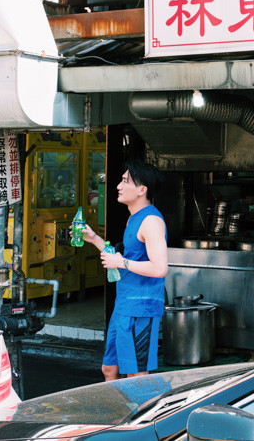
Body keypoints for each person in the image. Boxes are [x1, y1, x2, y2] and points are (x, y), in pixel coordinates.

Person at [82, 159, 168, 380]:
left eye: (124, 181)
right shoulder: (133, 218)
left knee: (136, 376)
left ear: (142, 189)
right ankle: (118, 414)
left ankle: (142, 415)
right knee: (109, 369)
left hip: (141, 309)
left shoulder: (151, 221)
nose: (118, 186)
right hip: (123, 306)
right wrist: (94, 239)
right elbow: (125, 257)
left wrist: (121, 263)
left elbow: (159, 268)